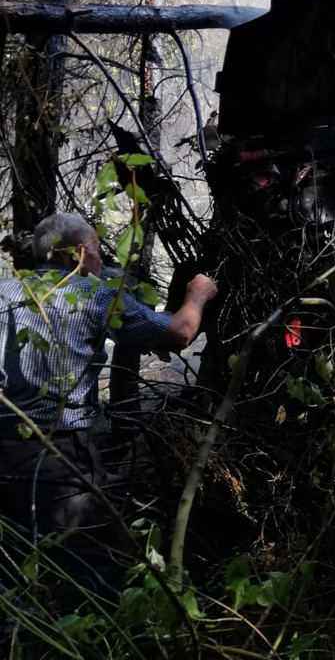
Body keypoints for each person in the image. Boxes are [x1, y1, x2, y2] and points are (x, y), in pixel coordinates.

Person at [0, 212, 217, 596]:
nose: (102, 259)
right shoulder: (91, 294)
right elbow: (180, 333)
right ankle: (101, 640)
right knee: (97, 558)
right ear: (79, 254)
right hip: (56, 452)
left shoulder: (3, 292)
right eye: (98, 249)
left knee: (12, 559)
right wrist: (196, 295)